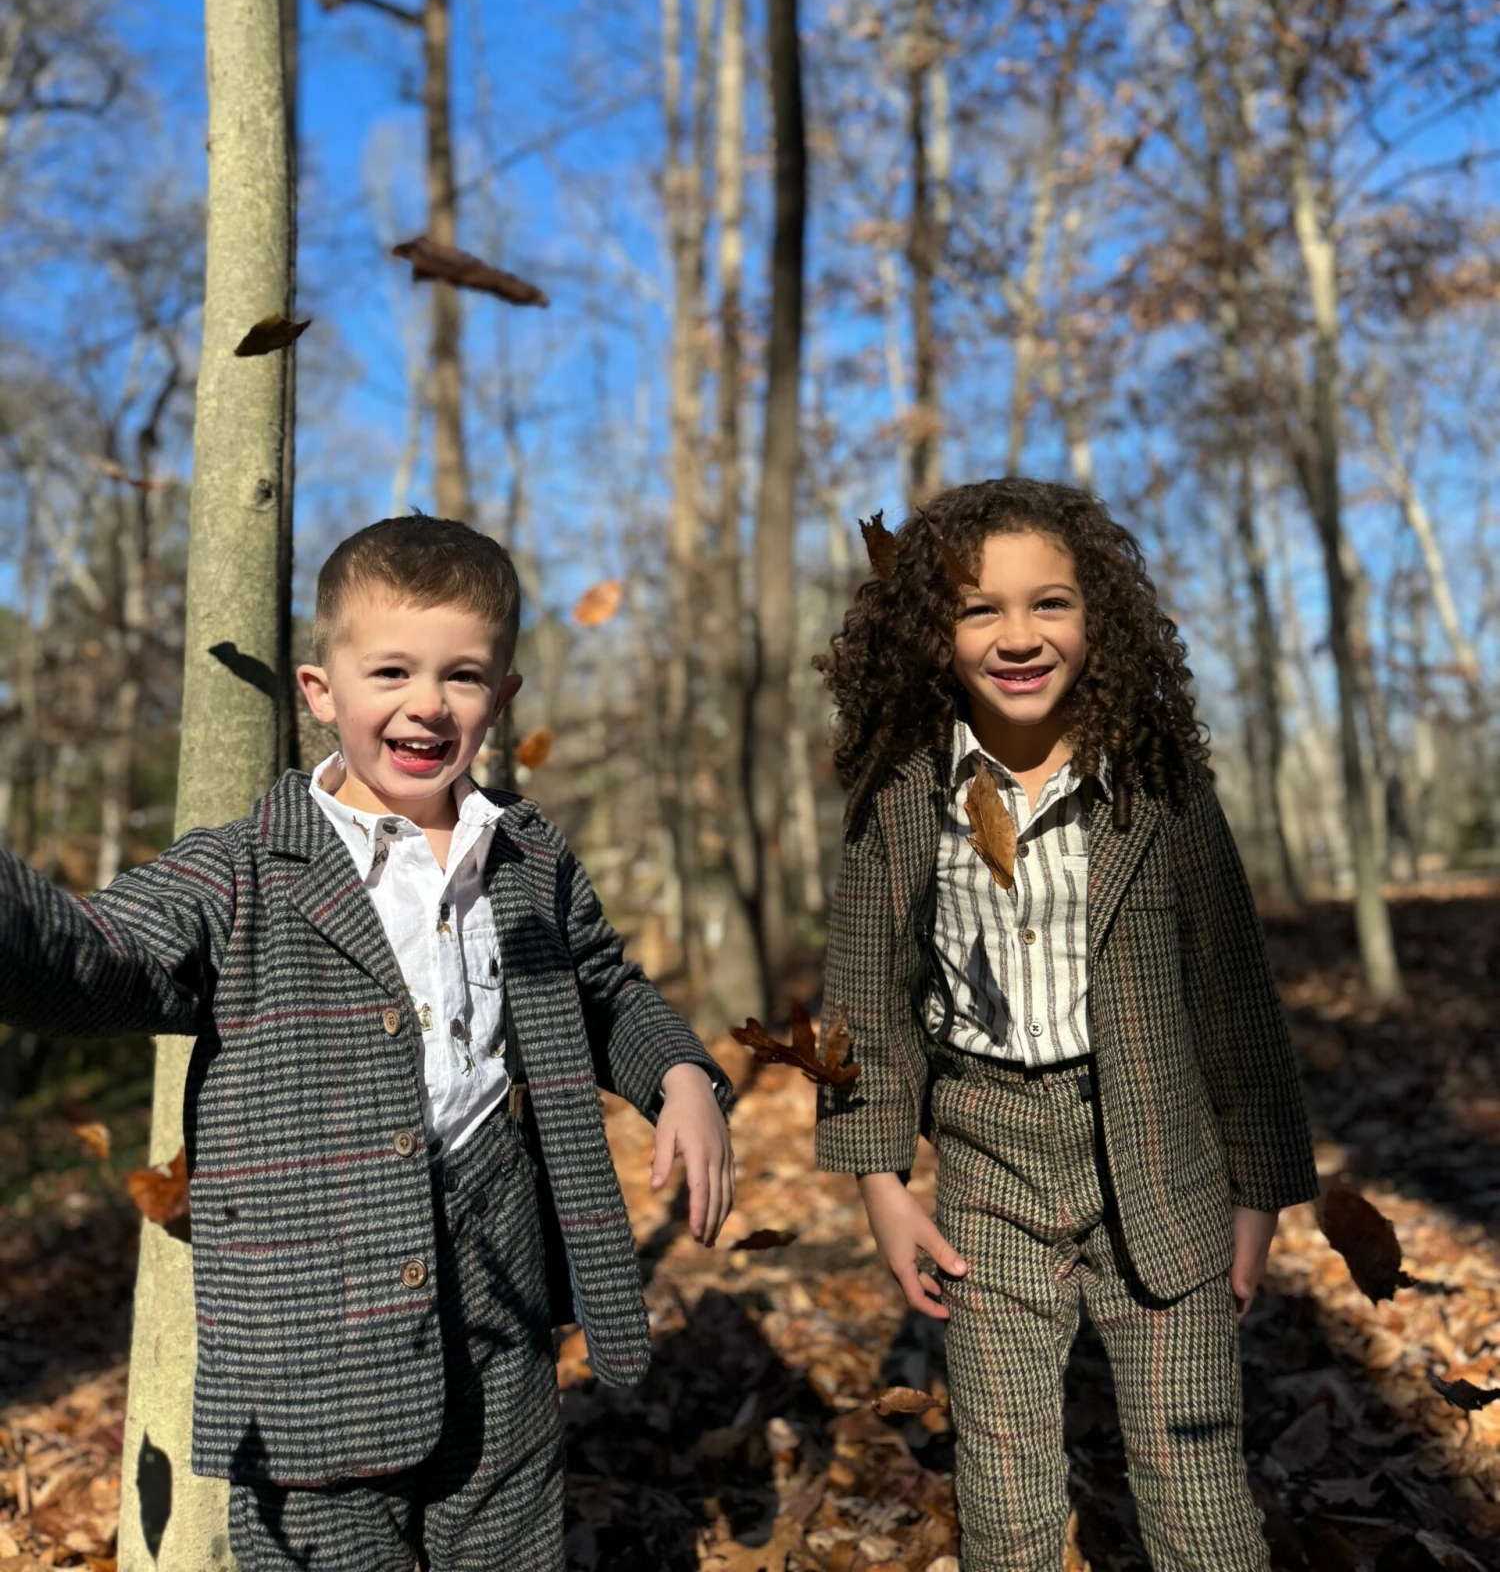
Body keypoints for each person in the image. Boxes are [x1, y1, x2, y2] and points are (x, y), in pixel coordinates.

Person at [0, 514, 735, 1571]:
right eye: (390, 669)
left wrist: (680, 1074)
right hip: (312, 1348)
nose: (427, 703)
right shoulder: (242, 871)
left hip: (502, 1306)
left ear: (502, 697)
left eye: (461, 675)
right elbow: (97, 951)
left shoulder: (526, 855)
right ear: (320, 689)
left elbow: (601, 987)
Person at [815, 479, 1315, 1572]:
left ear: (1100, 618)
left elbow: (1232, 990)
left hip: (1160, 1158)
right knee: (1004, 1499)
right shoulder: (900, 794)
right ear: (931, 631)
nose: (1018, 635)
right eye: (979, 608)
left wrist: (1260, 1188)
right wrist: (882, 1185)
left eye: (1050, 602)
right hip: (987, 1163)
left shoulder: (1159, 783)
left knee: (1197, 1493)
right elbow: (864, 996)